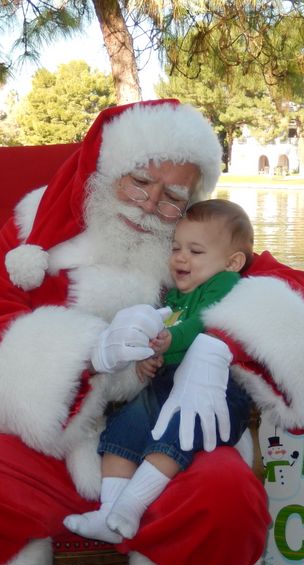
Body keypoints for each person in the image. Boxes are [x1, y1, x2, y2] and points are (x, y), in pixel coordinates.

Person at [0, 100, 304, 565]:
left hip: (165, 444)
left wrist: (214, 349)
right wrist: (90, 354)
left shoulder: (195, 243)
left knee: (227, 498)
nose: (151, 204)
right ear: (108, 169)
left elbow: (288, 292)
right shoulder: (33, 232)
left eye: (173, 196)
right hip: (50, 437)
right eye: (139, 182)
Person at [63, 200, 256, 544]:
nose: (180, 257)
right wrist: (148, 357)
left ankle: (131, 506)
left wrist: (170, 340)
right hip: (168, 384)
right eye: (176, 247)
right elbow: (170, 326)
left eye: (195, 251)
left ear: (232, 262)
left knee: (174, 435)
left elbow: (202, 323)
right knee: (124, 429)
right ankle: (109, 514)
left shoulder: (225, 285)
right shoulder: (178, 295)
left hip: (214, 392)